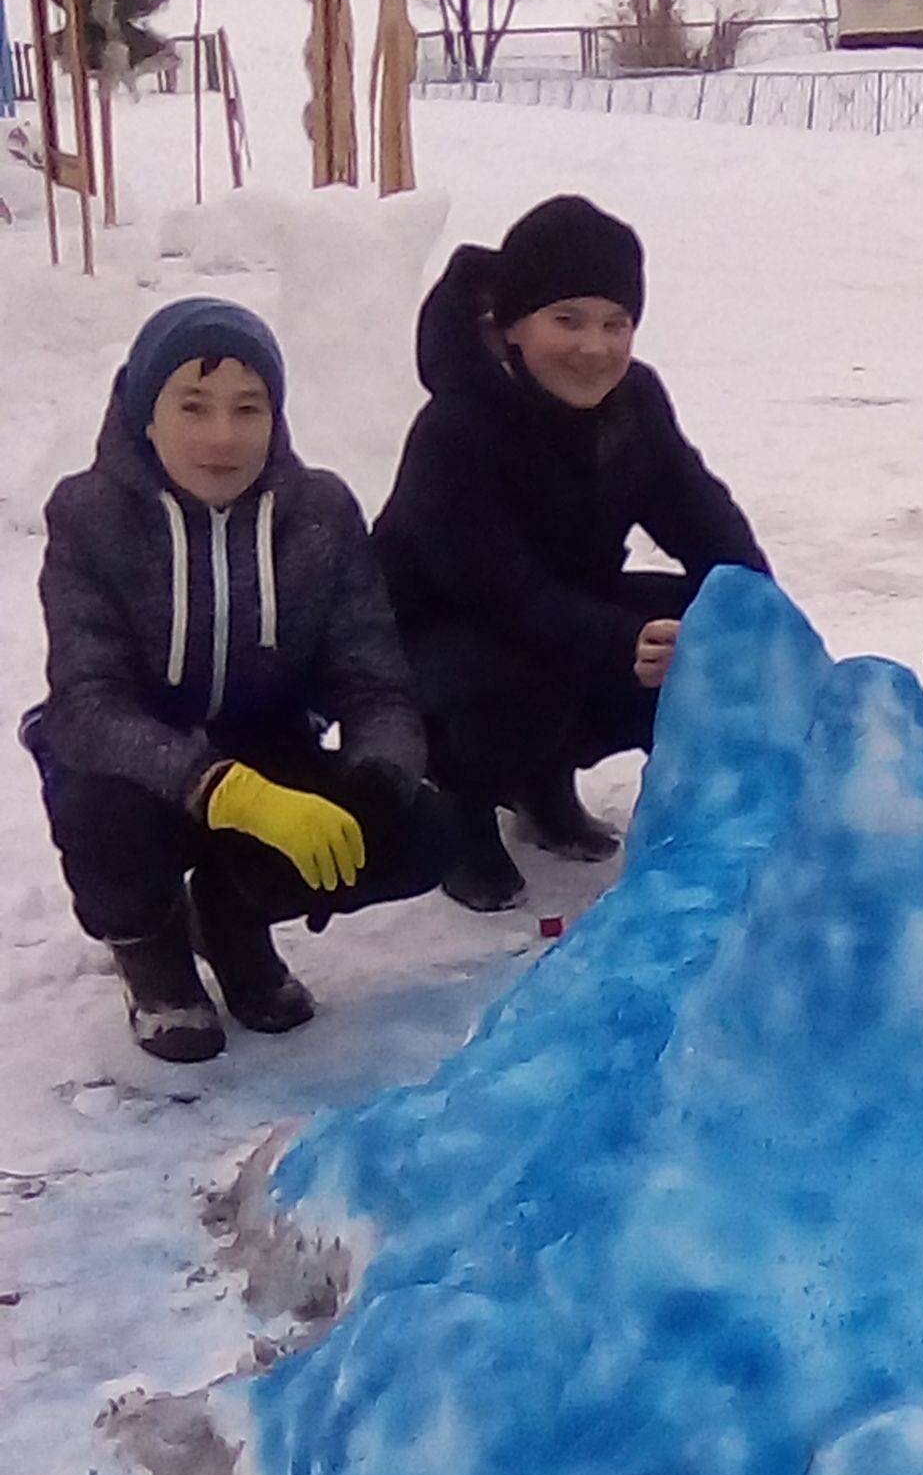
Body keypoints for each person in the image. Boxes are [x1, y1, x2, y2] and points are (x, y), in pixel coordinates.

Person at [27, 297, 447, 1065]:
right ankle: (149, 940)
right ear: (144, 412)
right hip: (136, 773)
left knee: (423, 831)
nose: (223, 436)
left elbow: (375, 683)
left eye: (247, 408)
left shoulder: (317, 510)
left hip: (270, 751)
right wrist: (222, 788)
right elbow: (86, 704)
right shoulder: (90, 515)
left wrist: (373, 786)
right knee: (102, 818)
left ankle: (229, 911)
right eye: (193, 405)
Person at [373, 193, 770, 913]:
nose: (596, 347)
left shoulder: (635, 401)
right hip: (433, 645)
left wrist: (757, 613)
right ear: (512, 327)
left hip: (555, 614)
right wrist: (624, 640)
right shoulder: (455, 429)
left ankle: (543, 782)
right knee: (525, 678)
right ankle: (463, 800)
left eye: (616, 324)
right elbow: (497, 588)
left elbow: (698, 512)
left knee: (704, 628)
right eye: (568, 320)